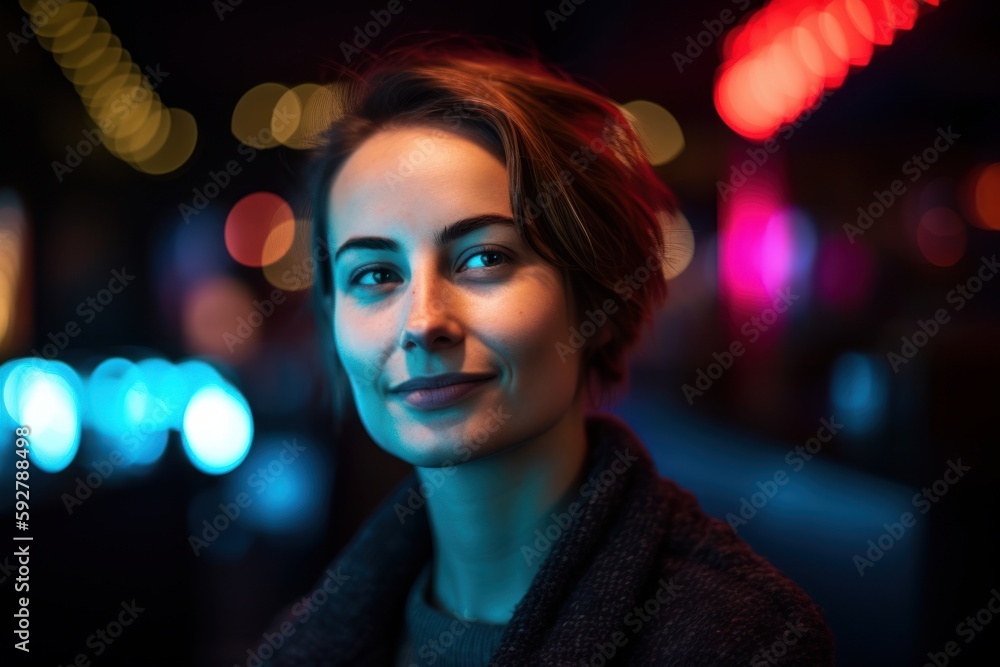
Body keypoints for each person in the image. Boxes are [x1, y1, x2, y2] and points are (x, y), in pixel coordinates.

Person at [259, 37, 835, 666]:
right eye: (373, 275)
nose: (423, 322)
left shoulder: (741, 640)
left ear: (593, 298)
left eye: (485, 258)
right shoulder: (299, 639)